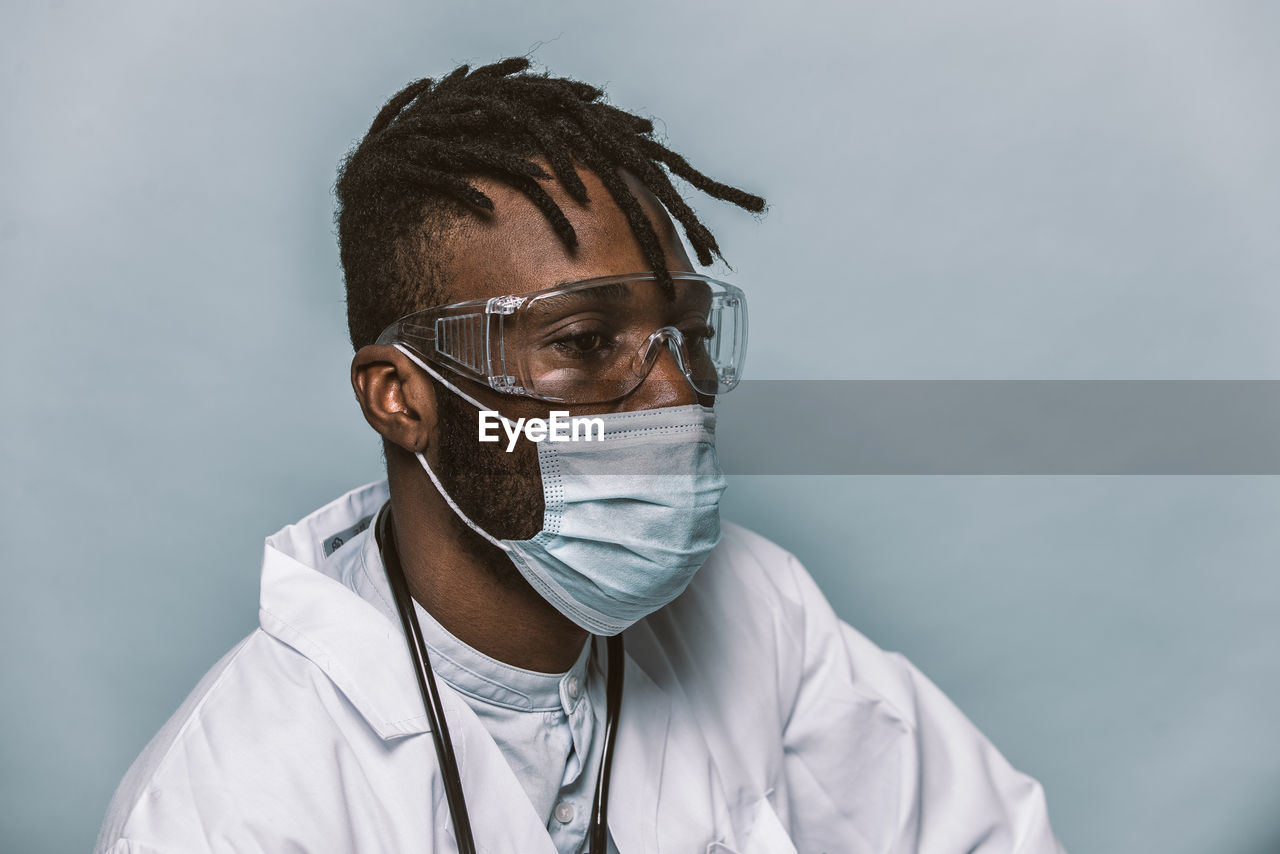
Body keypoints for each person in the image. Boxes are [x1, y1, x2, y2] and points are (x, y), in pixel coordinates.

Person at [95, 58, 1065, 854]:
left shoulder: (757, 612)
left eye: (681, 335)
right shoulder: (232, 808)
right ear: (402, 397)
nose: (675, 391)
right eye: (582, 341)